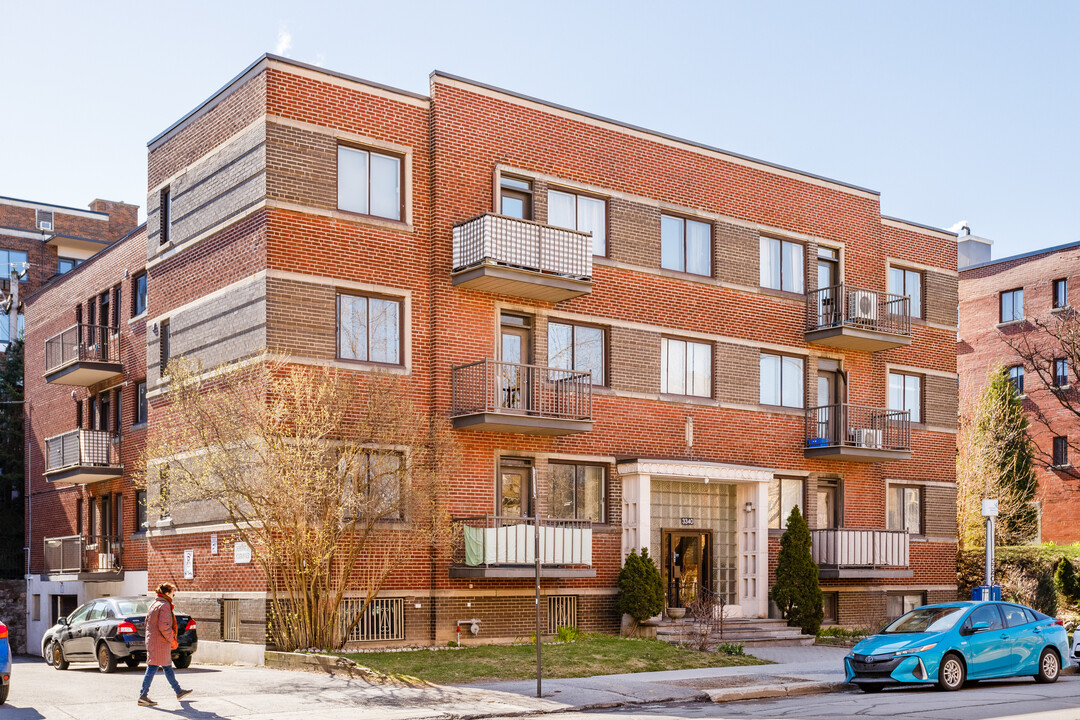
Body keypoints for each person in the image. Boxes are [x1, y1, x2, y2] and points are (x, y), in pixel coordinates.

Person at [138, 582, 192, 706]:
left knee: (167, 666)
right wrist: (171, 639)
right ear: (167, 593)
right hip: (160, 642)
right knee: (152, 667)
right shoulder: (164, 605)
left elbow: (147, 623)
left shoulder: (154, 604)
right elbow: (164, 626)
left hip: (154, 640)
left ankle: (178, 691)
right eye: (173, 593)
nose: (174, 596)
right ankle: (143, 695)